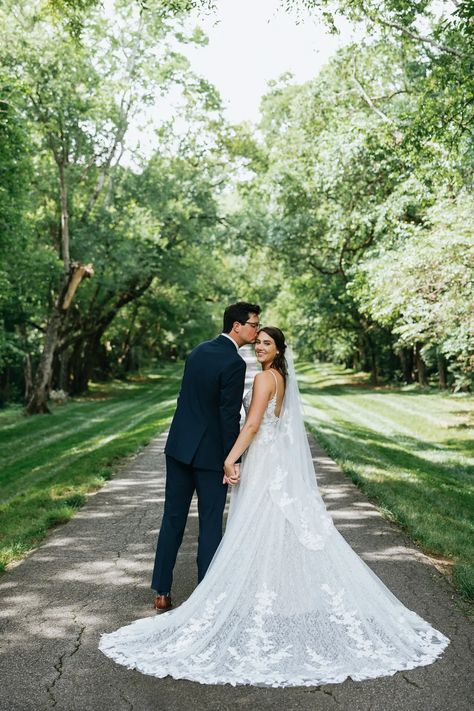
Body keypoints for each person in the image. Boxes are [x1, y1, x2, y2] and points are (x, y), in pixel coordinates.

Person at [99, 326, 449, 687]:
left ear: (279, 349)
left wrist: (229, 459)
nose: (260, 347)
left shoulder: (266, 378)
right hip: (273, 458)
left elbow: (251, 425)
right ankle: (277, 595)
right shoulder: (279, 378)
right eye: (258, 341)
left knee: (254, 525)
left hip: (263, 462)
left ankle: (247, 596)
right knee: (273, 526)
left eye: (267, 343)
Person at [150, 301, 261, 612]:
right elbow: (229, 417)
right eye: (253, 324)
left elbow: (187, 399)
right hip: (211, 455)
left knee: (172, 518)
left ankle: (161, 590)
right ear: (236, 326)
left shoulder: (198, 351)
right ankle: (206, 594)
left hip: (179, 448)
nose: (256, 329)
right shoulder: (234, 363)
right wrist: (232, 458)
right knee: (210, 523)